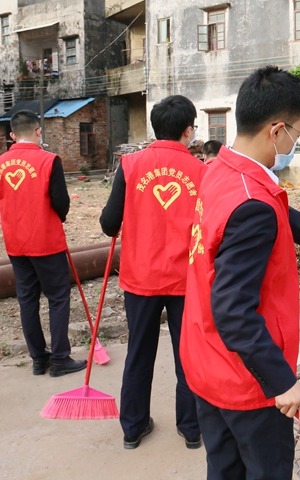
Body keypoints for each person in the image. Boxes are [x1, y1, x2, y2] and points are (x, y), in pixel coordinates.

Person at [180, 66, 300, 480]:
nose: (297, 143)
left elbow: (276, 208)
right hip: (248, 381)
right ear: (277, 131)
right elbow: (233, 311)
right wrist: (281, 382)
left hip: (206, 360)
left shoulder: (220, 171)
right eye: (299, 134)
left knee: (223, 469)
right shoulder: (252, 205)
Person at [100, 95, 206, 450]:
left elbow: (108, 223)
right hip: (185, 281)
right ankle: (191, 429)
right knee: (187, 355)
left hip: (140, 278)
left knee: (139, 353)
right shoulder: (201, 172)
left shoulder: (130, 165)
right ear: (188, 130)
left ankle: (133, 427)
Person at [0, 110, 86, 377]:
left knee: (27, 300)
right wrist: (60, 218)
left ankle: (37, 359)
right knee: (58, 298)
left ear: (12, 135)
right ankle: (60, 359)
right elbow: (61, 201)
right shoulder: (49, 160)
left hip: (15, 241)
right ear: (38, 131)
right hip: (45, 240)